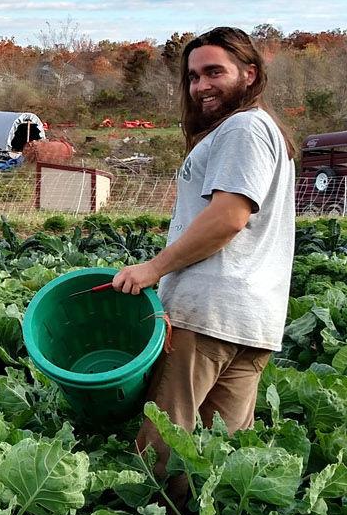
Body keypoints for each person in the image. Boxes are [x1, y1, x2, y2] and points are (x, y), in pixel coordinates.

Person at [110, 27, 295, 484]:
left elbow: (228, 218)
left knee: (164, 450)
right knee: (220, 464)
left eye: (215, 72)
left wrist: (154, 268)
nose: (200, 86)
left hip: (208, 314)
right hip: (253, 321)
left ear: (250, 75)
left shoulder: (244, 127)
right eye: (193, 76)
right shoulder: (262, 131)